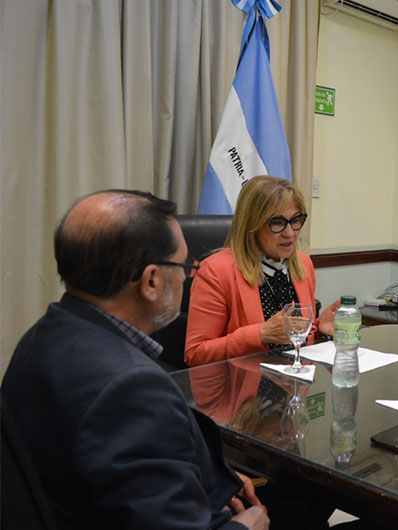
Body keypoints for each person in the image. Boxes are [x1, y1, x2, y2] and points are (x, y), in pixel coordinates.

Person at [1, 190, 269, 529]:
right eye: (185, 265)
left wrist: (212, 473)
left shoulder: (44, 333)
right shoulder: (132, 388)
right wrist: (248, 525)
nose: (188, 276)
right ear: (152, 281)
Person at [185, 176, 339, 367]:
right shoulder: (216, 271)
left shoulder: (303, 263)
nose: (290, 233)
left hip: (296, 385)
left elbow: (295, 340)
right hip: (243, 390)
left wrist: (319, 331)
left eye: (295, 220)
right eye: (277, 222)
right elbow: (196, 354)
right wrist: (259, 334)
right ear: (252, 226)